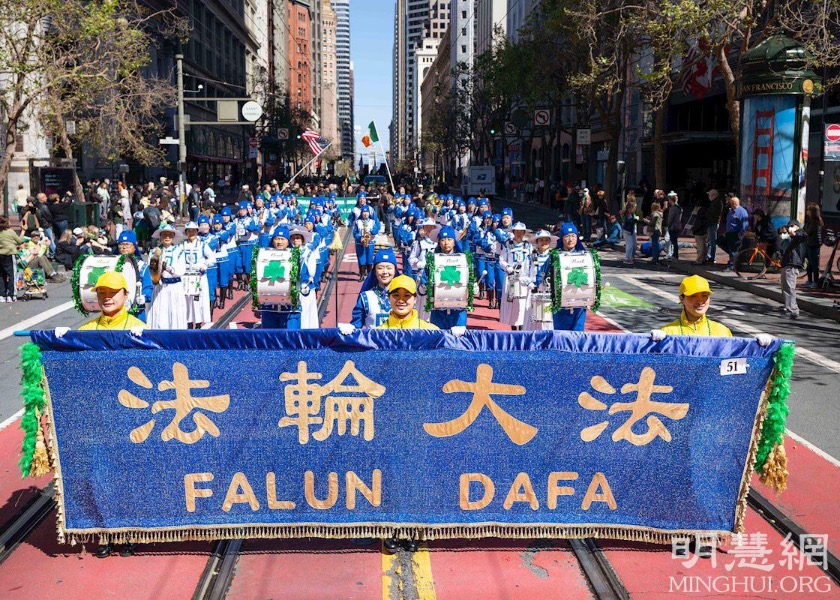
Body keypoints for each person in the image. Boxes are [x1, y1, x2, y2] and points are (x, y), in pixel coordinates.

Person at [537, 222, 589, 331]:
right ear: (561, 238)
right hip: (560, 304)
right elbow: (541, 274)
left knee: (578, 335)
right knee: (561, 335)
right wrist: (541, 285)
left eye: (573, 236)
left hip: (579, 304)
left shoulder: (584, 256)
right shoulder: (555, 255)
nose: (570, 239)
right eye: (567, 236)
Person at [654, 275, 732, 337]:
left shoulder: (723, 332)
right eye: (693, 296)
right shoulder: (668, 332)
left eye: (704, 295)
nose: (700, 301)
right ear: (681, 299)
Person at [146, 224, 188, 330]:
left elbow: (181, 270)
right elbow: (150, 270)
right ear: (160, 237)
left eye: (170, 235)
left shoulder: (179, 251)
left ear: (173, 236)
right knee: (159, 313)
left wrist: (168, 268)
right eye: (164, 235)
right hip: (159, 287)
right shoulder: (154, 252)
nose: (167, 237)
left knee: (174, 313)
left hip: (174, 287)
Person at [350, 248, 399, 328]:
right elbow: (356, 326)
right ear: (374, 272)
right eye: (380, 268)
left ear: (395, 271)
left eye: (389, 268)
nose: (385, 272)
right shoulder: (366, 297)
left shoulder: (404, 296)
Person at [180, 221, 215, 329]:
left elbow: (212, 258)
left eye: (193, 231)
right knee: (186, 301)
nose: (191, 233)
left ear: (197, 232)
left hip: (198, 277)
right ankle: (188, 323)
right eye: (189, 231)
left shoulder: (202, 244)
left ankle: (198, 323)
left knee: (198, 300)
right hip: (185, 277)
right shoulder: (181, 245)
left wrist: (204, 266)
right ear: (186, 232)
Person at [498, 222, 532, 330]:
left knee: (522, 302)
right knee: (512, 303)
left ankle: (522, 327)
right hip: (511, 278)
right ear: (513, 232)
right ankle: (513, 327)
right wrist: (507, 267)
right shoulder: (508, 244)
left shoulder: (528, 245)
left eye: (521, 232)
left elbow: (532, 260)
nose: (519, 234)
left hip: (523, 278)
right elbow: (501, 259)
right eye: (516, 232)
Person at [779, 220, 807, 319]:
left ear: (796, 226)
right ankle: (788, 307)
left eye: (791, 226)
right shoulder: (792, 237)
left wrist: (794, 233)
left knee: (789, 287)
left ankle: (793, 310)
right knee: (785, 287)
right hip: (788, 263)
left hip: (792, 263)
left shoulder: (800, 233)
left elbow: (801, 235)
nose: (789, 228)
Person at [0, 216, 25, 302]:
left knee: (1, 275)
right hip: (9, 254)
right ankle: (11, 295)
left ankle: (2, 295)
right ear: (7, 223)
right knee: (11, 275)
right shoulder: (10, 231)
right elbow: (19, 241)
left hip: (0, 254)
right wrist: (23, 231)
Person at [721, 196, 749, 270]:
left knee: (734, 250)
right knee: (727, 246)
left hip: (736, 234)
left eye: (732, 203)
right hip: (729, 233)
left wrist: (740, 234)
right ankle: (733, 261)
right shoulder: (731, 210)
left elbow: (745, 225)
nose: (731, 205)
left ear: (735, 203)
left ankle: (732, 265)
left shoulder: (742, 212)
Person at [803, 204, 823, 288]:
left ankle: (815, 281)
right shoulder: (811, 220)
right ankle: (810, 280)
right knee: (809, 264)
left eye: (808, 210)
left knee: (814, 264)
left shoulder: (816, 221)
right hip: (810, 243)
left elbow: (808, 231)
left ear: (812, 212)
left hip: (814, 245)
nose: (807, 211)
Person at [705, 189, 724, 264]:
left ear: (714, 195)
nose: (709, 196)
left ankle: (712, 257)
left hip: (713, 223)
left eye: (710, 195)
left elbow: (715, 214)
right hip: (712, 223)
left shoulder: (717, 202)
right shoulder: (716, 202)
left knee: (712, 241)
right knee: (710, 241)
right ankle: (710, 256)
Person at [621, 199, 639, 264]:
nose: (635, 209)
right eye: (634, 208)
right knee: (630, 244)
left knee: (633, 244)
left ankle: (631, 257)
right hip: (627, 231)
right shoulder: (627, 214)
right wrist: (634, 220)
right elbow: (628, 221)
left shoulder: (631, 213)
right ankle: (627, 258)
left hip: (630, 230)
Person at [665, 191, 683, 260]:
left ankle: (674, 255)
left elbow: (670, 218)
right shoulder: (679, 207)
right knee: (675, 241)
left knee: (673, 242)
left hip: (673, 227)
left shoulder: (673, 208)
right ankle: (675, 255)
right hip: (677, 226)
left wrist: (668, 226)